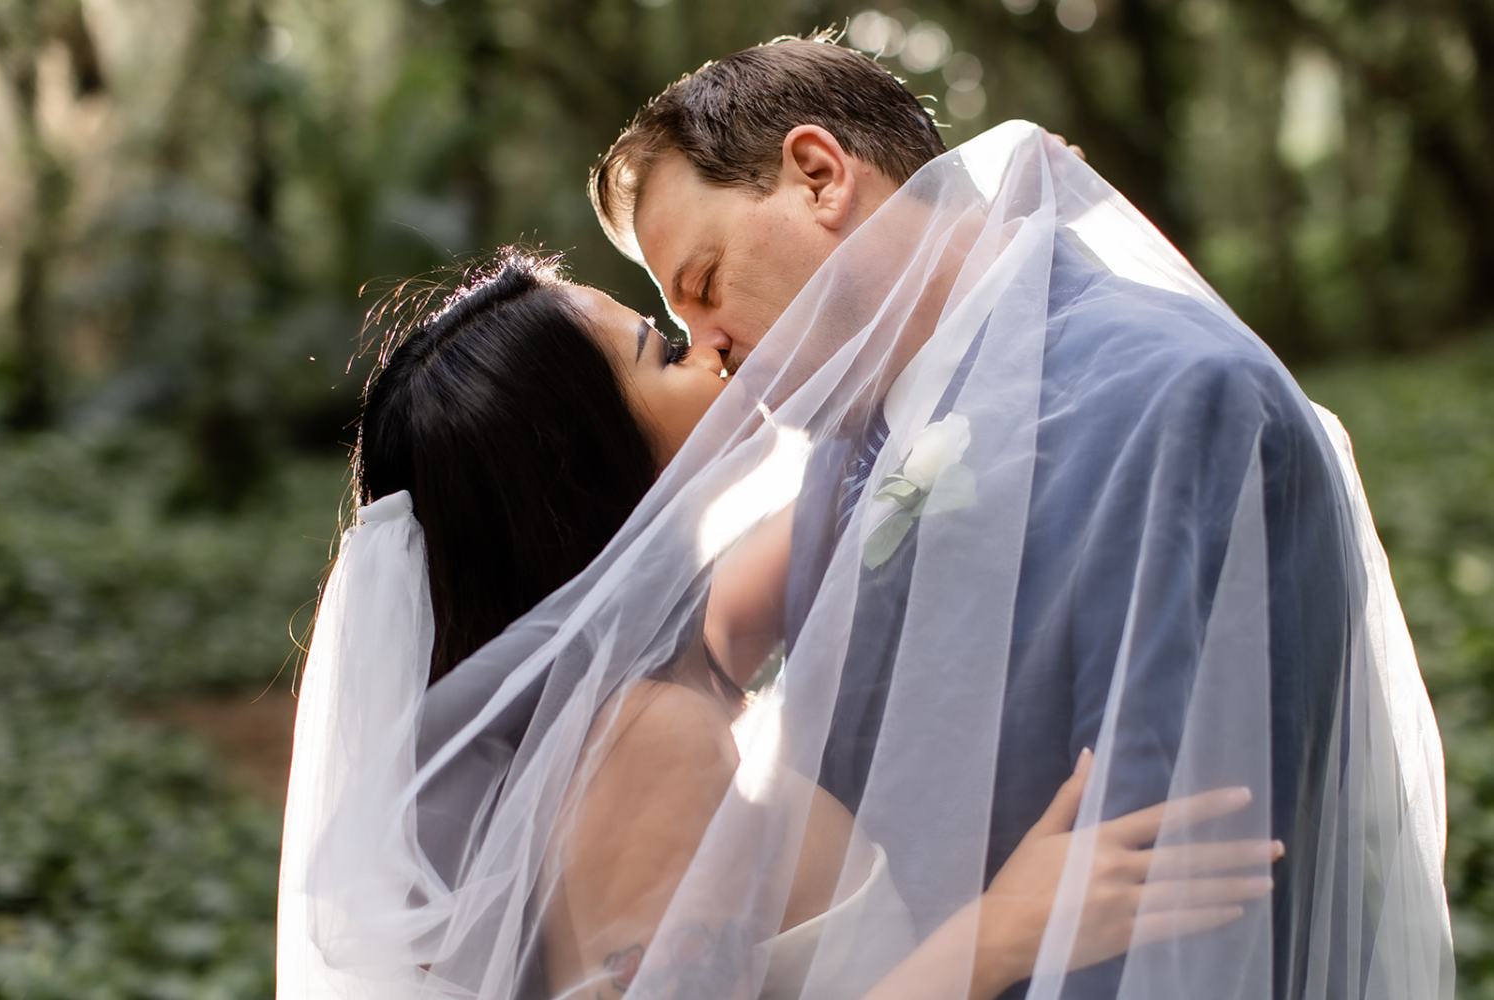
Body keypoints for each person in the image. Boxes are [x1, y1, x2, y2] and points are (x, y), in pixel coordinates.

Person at [584, 34, 1451, 1000]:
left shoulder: (1178, 398)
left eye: (702, 286)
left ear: (820, 176)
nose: (709, 348)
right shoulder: (844, 456)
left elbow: (1166, 879)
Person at [278, 250, 1277, 999]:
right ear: (586, 466)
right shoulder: (642, 739)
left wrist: (979, 244)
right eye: (663, 350)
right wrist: (1006, 928)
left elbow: (837, 511)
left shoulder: (651, 665)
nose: (710, 343)